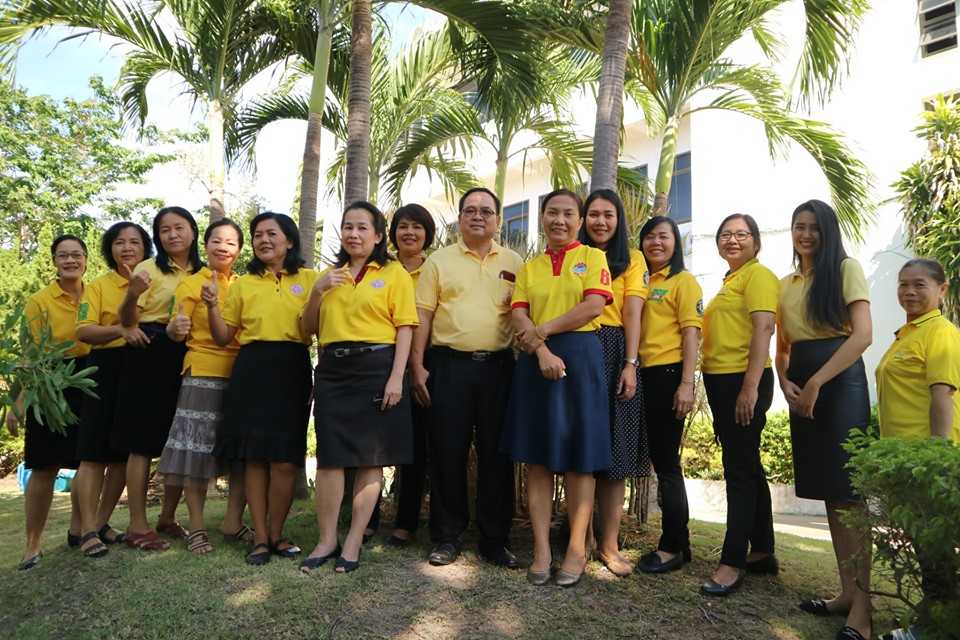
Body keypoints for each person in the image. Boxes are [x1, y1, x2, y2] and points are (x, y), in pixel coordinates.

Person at [501, 188, 614, 587]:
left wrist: (542, 332)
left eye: (568, 213)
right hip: (536, 361)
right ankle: (541, 549)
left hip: (580, 357)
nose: (559, 220)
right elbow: (518, 312)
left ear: (580, 221)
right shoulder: (530, 267)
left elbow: (593, 306)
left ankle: (577, 549)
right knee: (538, 458)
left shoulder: (593, 258)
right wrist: (541, 350)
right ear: (542, 217)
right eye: (552, 212)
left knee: (580, 458)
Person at [299, 201, 418, 574]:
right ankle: (326, 540)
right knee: (330, 458)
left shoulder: (394, 274)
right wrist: (317, 291)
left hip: (377, 367)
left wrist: (397, 377)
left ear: (378, 235)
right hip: (334, 371)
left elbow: (405, 328)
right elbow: (307, 330)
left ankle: (353, 541)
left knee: (371, 458)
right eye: (348, 227)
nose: (354, 234)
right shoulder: (327, 276)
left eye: (362, 227)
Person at [410, 187, 524, 569]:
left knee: (497, 454)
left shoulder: (515, 262)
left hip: (499, 368)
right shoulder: (439, 261)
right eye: (470, 210)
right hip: (448, 366)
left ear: (498, 220)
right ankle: (446, 536)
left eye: (486, 211)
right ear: (460, 219)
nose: (478, 216)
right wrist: (417, 366)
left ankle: (495, 539)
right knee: (447, 451)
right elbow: (422, 316)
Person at [775, 200, 873, 640]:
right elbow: (782, 348)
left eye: (814, 227)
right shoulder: (786, 284)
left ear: (827, 231)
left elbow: (863, 335)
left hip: (840, 383)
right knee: (830, 495)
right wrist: (785, 381)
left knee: (849, 494)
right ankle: (847, 593)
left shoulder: (846, 269)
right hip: (803, 385)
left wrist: (816, 381)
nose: (806, 234)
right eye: (799, 226)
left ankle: (864, 613)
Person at [208, 212, 318, 565]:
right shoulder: (243, 284)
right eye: (258, 235)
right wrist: (212, 305)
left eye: (272, 233)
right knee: (254, 457)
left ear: (290, 240)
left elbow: (322, 329)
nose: (264, 240)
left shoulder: (312, 279)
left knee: (285, 461)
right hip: (252, 369)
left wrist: (321, 376)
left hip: (292, 369)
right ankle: (258, 536)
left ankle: (276, 534)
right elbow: (223, 336)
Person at [155, 218, 252, 554]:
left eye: (230, 242)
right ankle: (196, 527)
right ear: (205, 245)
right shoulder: (190, 283)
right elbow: (174, 326)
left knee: (241, 453)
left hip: (242, 375)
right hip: (203, 373)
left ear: (239, 250)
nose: (223, 247)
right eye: (216, 241)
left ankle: (232, 522)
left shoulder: (245, 283)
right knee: (195, 453)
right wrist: (176, 327)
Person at [875, 258, 960, 640]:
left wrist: (937, 458)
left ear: (941, 289)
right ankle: (934, 622)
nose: (909, 291)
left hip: (927, 461)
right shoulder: (907, 334)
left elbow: (942, 394)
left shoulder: (940, 332)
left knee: (934, 551)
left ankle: (932, 628)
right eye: (903, 284)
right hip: (905, 461)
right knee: (926, 550)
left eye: (920, 284)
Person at [699, 213, 779, 597]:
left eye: (742, 234)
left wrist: (749, 387)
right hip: (722, 380)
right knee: (748, 464)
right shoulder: (731, 280)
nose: (732, 240)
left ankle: (732, 563)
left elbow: (764, 327)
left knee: (739, 471)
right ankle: (762, 551)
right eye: (726, 234)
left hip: (742, 380)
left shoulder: (758, 275)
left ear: (756, 241)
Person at [114, 206, 202, 550]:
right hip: (149, 351)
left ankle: (167, 517)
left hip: (189, 353)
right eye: (164, 230)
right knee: (141, 441)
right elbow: (127, 321)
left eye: (179, 227)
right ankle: (137, 524)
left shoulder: (205, 272)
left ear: (193, 231)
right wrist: (132, 292)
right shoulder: (147, 269)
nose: (172, 235)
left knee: (178, 436)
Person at [7, 235, 91, 569]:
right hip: (49, 383)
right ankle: (32, 544)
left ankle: (79, 529)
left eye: (76, 254)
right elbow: (30, 354)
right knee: (44, 465)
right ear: (54, 261)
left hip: (89, 380)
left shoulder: (95, 295)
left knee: (88, 462)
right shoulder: (39, 300)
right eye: (63, 255)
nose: (70, 260)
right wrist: (19, 399)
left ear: (86, 259)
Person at [578, 188, 649, 577]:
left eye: (608, 215)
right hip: (578, 348)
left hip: (616, 348)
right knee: (581, 449)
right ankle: (582, 538)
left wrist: (630, 364)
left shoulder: (633, 259)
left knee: (616, 452)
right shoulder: (573, 255)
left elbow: (633, 313)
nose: (600, 221)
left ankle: (609, 543)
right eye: (594, 214)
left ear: (619, 221)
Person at [73, 221, 152, 558]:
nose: (127, 248)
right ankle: (87, 529)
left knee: (122, 452)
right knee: (93, 453)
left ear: (146, 249)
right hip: (103, 369)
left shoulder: (155, 282)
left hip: (139, 368)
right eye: (119, 242)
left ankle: (102, 522)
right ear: (110, 250)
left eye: (135, 242)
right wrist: (121, 329)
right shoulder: (98, 286)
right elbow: (83, 331)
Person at [635, 216, 703, 575]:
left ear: (676, 242)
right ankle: (682, 542)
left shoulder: (683, 281)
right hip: (642, 375)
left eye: (663, 236)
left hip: (667, 375)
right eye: (649, 236)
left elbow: (691, 335)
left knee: (666, 464)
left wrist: (686, 384)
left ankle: (671, 547)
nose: (656, 242)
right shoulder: (642, 279)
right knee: (659, 460)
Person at [382, 203, 437, 548]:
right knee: (375, 441)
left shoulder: (436, 268)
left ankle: (406, 522)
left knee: (417, 443)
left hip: (425, 363)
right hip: (381, 360)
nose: (409, 233)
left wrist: (417, 366)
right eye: (403, 226)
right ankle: (367, 518)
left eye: (417, 227)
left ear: (427, 233)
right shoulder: (382, 268)